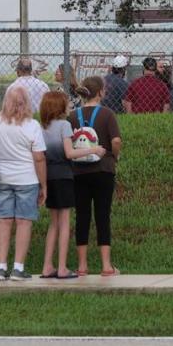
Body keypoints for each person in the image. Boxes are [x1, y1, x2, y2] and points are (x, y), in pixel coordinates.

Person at [0, 85, 47, 281]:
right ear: (27, 103)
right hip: (27, 179)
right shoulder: (32, 126)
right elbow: (39, 158)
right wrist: (44, 185)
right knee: (24, 221)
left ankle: (1, 267)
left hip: (1, 178)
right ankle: (18, 268)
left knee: (3, 220)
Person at [38, 91, 105, 279]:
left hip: (48, 176)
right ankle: (62, 267)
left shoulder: (42, 127)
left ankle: (46, 266)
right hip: (64, 176)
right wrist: (93, 149)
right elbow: (69, 153)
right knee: (65, 222)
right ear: (59, 106)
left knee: (53, 224)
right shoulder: (64, 125)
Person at [67, 76, 123, 277]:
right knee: (102, 215)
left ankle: (82, 265)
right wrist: (114, 156)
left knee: (82, 215)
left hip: (79, 171)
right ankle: (106, 265)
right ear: (100, 92)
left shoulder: (73, 116)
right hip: (103, 169)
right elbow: (115, 141)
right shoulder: (107, 114)